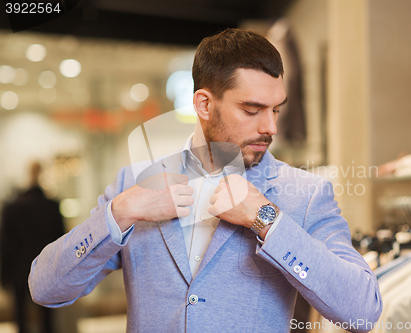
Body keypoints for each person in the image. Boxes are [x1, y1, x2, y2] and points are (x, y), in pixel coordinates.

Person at [28, 29, 382, 333]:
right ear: (204, 104)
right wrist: (120, 211)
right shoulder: (134, 183)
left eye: (276, 110)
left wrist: (267, 218)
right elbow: (45, 288)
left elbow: (363, 310)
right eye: (251, 109)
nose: (270, 127)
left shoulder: (304, 193)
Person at [1, 162, 64, 333]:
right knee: (47, 320)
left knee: (20, 318)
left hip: (18, 271)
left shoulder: (12, 208)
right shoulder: (52, 207)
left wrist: (4, 276)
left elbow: (6, 245)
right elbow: (61, 242)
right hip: (47, 270)